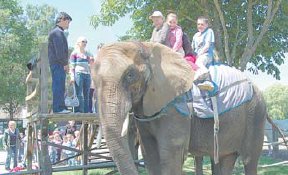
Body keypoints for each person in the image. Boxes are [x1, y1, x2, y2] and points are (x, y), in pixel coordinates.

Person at [48, 12, 72, 114]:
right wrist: (65, 64)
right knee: (58, 86)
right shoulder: (57, 32)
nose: (68, 24)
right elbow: (60, 51)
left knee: (60, 86)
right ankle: (58, 109)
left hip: (58, 64)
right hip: (58, 64)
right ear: (61, 19)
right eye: (68, 22)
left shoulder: (58, 32)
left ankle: (61, 107)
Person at [70, 36, 94, 113]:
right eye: (83, 41)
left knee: (87, 94)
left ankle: (86, 111)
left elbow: (92, 64)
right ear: (78, 43)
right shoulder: (74, 53)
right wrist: (72, 77)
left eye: (86, 42)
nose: (85, 43)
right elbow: (72, 66)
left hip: (87, 74)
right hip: (78, 74)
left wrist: (92, 60)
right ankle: (78, 111)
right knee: (79, 93)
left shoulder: (88, 53)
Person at [192, 16, 215, 91]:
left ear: (206, 25)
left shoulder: (209, 31)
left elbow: (207, 46)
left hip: (206, 55)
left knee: (199, 62)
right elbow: (192, 48)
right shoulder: (196, 35)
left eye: (202, 24)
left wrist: (199, 55)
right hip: (197, 56)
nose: (200, 26)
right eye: (198, 24)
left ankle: (208, 79)